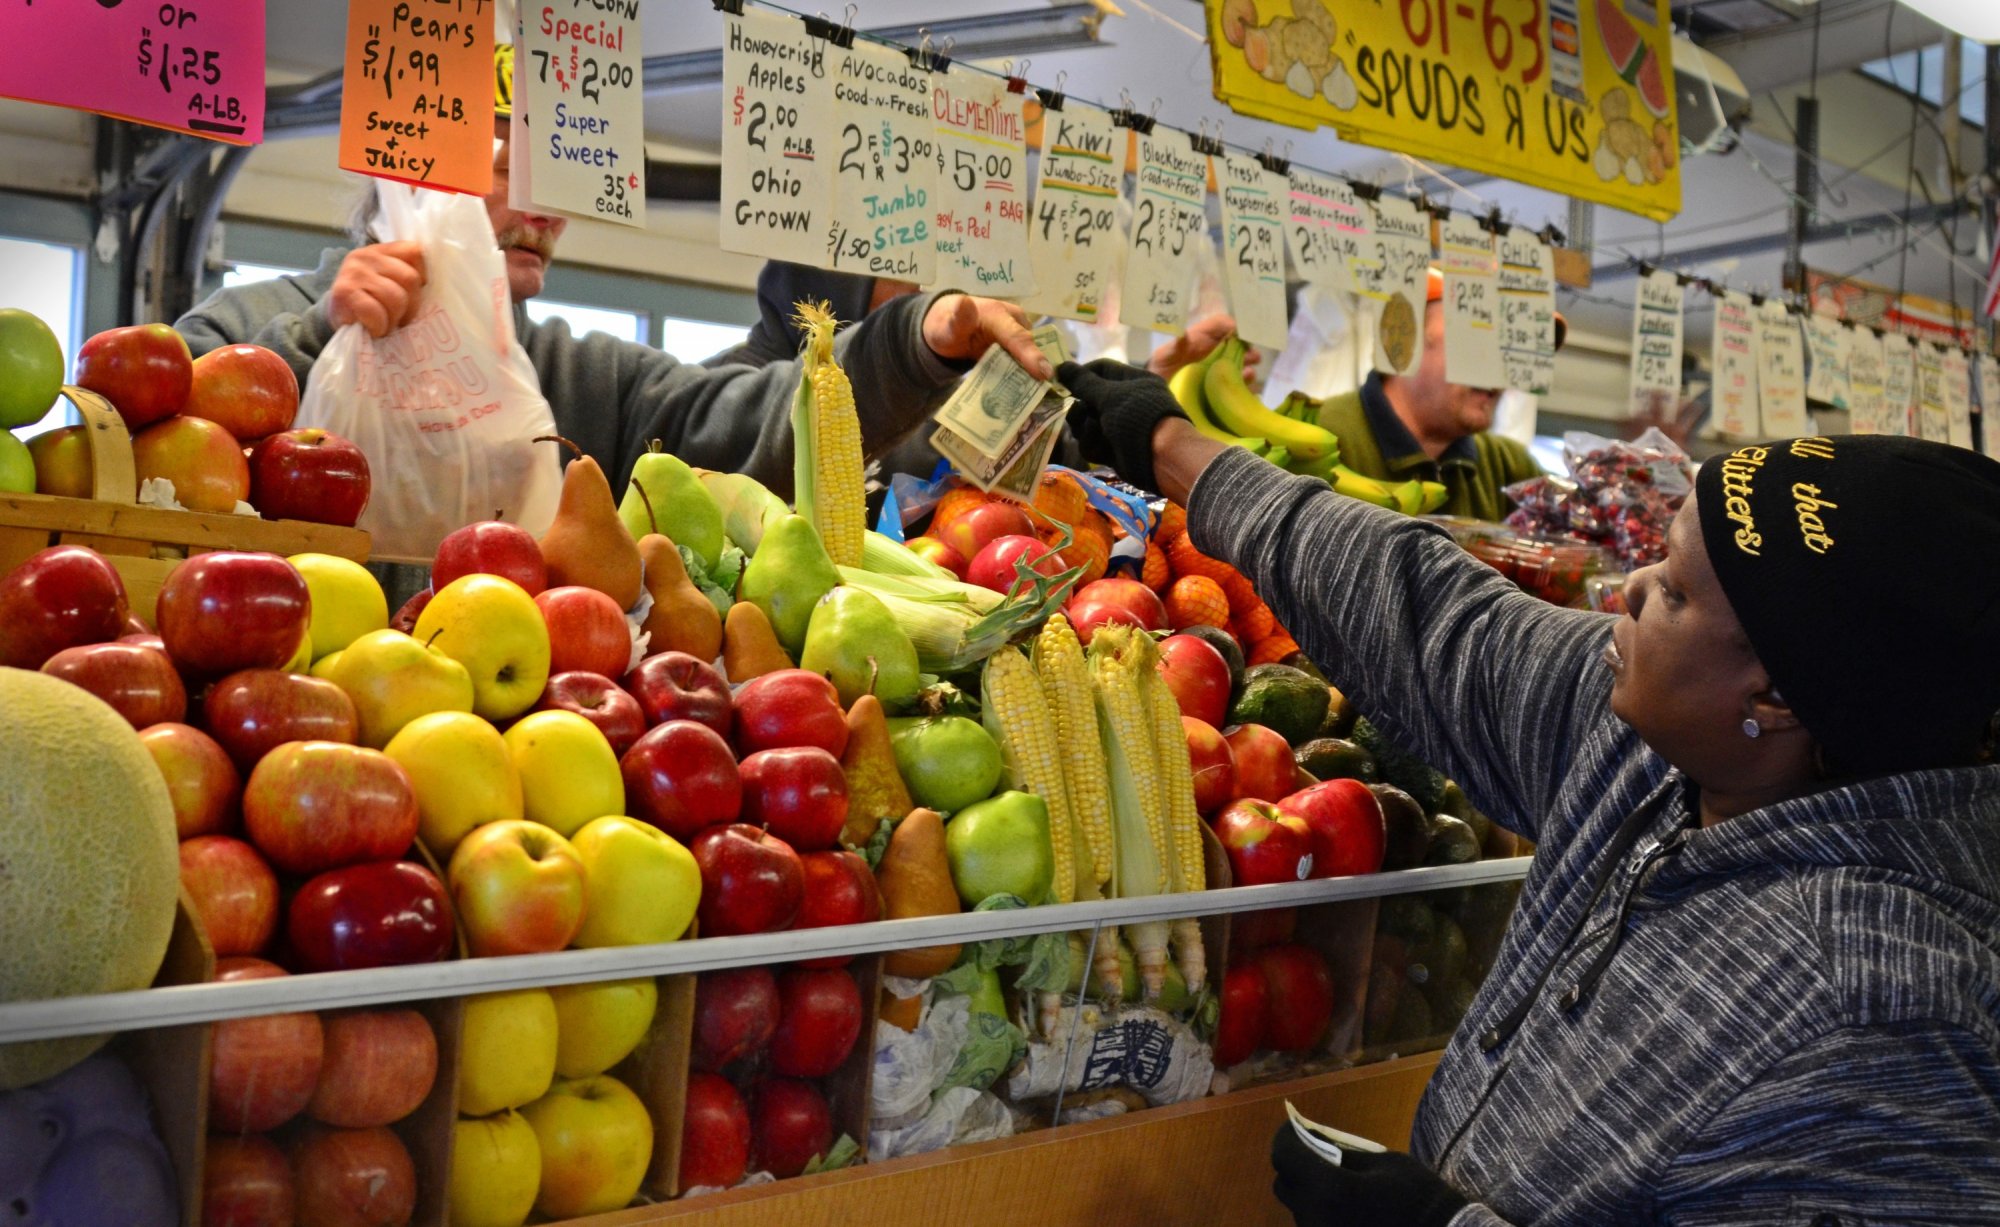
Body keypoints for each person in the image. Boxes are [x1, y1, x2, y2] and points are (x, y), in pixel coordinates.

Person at [1057, 359, 2000, 1224]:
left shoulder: (1884, 1022)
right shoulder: (1662, 749)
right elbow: (1435, 617)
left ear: (1778, 695)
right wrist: (1173, 448)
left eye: (1672, 592)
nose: (1625, 590)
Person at [173, 46, 1047, 503]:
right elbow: (161, 469)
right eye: (515, 164)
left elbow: (753, 421)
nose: (550, 211)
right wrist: (322, 335)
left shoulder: (581, 382)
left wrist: (919, 341)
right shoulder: (233, 328)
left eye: (562, 180)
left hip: (516, 787)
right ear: (409, 165)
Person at [1314, 269, 1558, 521]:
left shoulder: (1512, 468)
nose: (1500, 368)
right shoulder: (1317, 439)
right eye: (1480, 340)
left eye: (1513, 350)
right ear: (1408, 337)